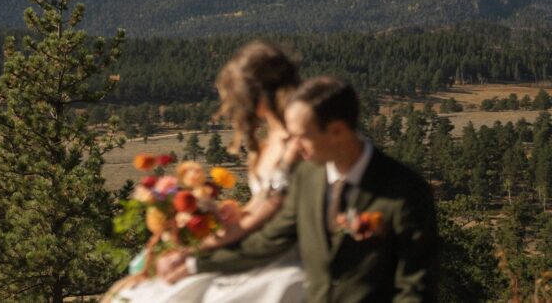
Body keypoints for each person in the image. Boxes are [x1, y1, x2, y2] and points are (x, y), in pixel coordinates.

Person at [161, 76, 437, 303]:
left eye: (302, 137)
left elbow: (415, 287)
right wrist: (196, 263)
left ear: (338, 131)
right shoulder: (307, 176)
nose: (293, 147)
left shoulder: (405, 190)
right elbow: (269, 241)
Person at [103, 41, 304, 303]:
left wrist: (201, 248)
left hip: (276, 251)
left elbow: (266, 214)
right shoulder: (275, 138)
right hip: (252, 240)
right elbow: (258, 205)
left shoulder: (295, 143)